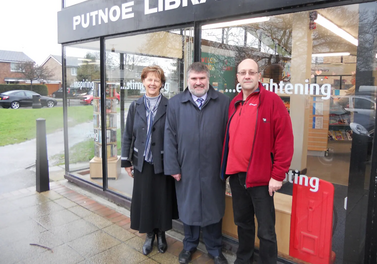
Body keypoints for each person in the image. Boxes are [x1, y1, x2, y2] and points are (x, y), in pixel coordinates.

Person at [220, 59, 294, 264]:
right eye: (243, 72)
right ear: (237, 77)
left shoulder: (271, 101)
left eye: (251, 72)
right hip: (236, 177)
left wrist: (278, 175)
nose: (247, 76)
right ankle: (243, 260)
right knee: (243, 224)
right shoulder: (234, 103)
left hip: (262, 178)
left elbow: (285, 140)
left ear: (259, 76)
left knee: (266, 230)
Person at [164, 62, 230, 264]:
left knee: (212, 207)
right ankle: (189, 245)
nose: (198, 82)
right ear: (188, 80)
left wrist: (228, 167)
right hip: (186, 166)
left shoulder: (223, 102)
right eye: (194, 78)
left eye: (202, 78)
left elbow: (230, 137)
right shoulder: (175, 103)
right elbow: (169, 136)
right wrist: (173, 166)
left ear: (208, 80)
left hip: (213, 167)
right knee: (189, 207)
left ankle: (215, 248)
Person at [121, 65, 178, 256]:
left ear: (162, 84)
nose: (153, 83)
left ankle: (161, 235)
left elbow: (175, 136)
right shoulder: (135, 106)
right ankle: (148, 236)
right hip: (142, 163)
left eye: (157, 80)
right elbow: (128, 134)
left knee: (161, 201)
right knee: (145, 201)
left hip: (162, 163)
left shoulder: (170, 106)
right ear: (143, 81)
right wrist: (126, 161)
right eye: (149, 79)